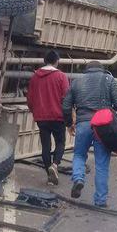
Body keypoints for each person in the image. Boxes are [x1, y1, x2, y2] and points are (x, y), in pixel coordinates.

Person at [62, 61, 117, 206]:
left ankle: (78, 178)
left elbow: (66, 105)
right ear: (101, 70)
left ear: (86, 70)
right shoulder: (108, 79)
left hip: (83, 123)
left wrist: (69, 124)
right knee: (102, 164)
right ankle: (100, 200)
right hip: (103, 126)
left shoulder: (77, 82)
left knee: (78, 154)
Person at [27, 50, 69, 185]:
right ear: (57, 61)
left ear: (44, 61)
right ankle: (55, 165)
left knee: (46, 146)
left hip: (41, 117)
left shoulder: (35, 77)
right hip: (58, 116)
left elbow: (30, 98)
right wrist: (68, 115)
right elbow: (67, 97)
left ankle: (50, 176)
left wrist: (34, 111)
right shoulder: (61, 76)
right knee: (61, 142)